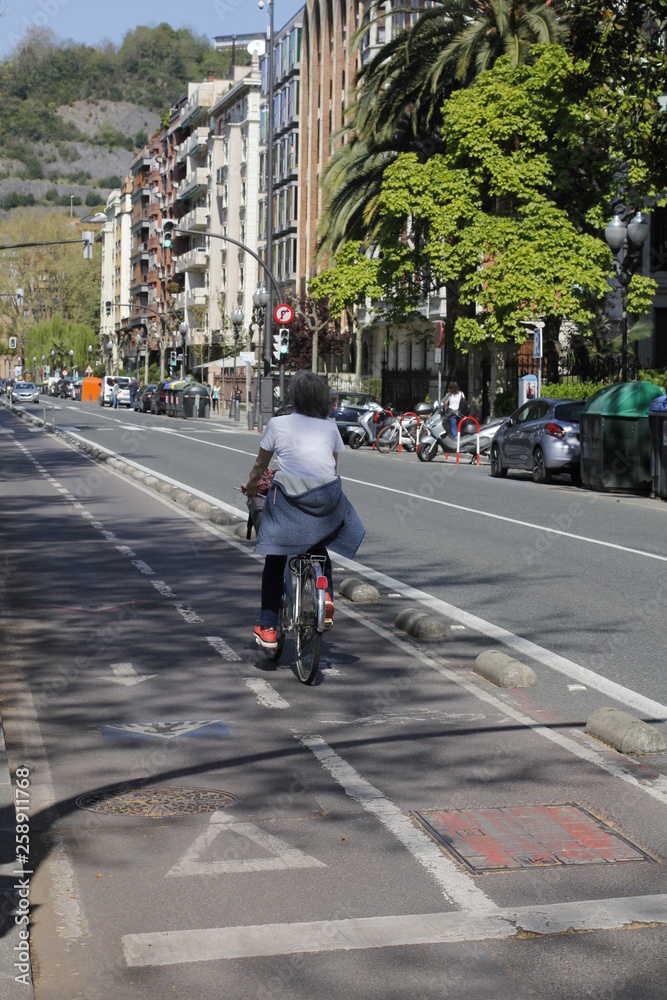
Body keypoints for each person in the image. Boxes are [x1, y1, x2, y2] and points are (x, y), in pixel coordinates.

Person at [244, 370, 365, 650]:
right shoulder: (331, 427)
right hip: (325, 500)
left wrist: (251, 487)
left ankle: (269, 627)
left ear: (294, 397)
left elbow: (260, 467)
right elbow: (331, 469)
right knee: (318, 546)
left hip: (290, 500)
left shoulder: (278, 423)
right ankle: (327, 597)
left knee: (275, 558)